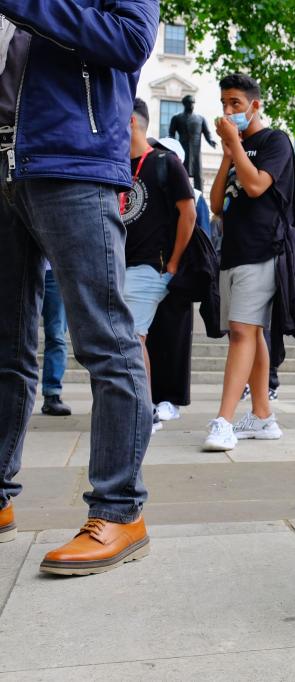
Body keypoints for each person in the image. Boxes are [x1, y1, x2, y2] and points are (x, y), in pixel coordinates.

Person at [0, 1, 158, 573]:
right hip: (7, 165)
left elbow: (130, 38)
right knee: (7, 349)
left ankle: (119, 511)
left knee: (107, 343)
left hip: (74, 162)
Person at [206, 73, 292, 451]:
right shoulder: (234, 146)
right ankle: (262, 416)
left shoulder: (275, 141)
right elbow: (214, 203)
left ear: (255, 105)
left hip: (263, 250)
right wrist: (228, 153)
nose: (228, 111)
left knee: (241, 332)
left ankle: (223, 420)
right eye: (224, 103)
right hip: (233, 252)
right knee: (251, 334)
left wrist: (236, 148)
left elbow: (257, 185)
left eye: (236, 104)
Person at [123, 98, 197, 435]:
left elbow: (189, 213)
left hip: (150, 268)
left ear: (131, 123)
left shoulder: (166, 162)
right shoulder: (119, 165)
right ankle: (135, 408)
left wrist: (173, 265)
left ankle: (145, 412)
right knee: (127, 339)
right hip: (120, 266)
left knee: (133, 338)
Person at [39, 261, 71, 417]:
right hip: (23, 266)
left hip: (54, 270)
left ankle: (52, 394)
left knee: (56, 335)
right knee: (18, 334)